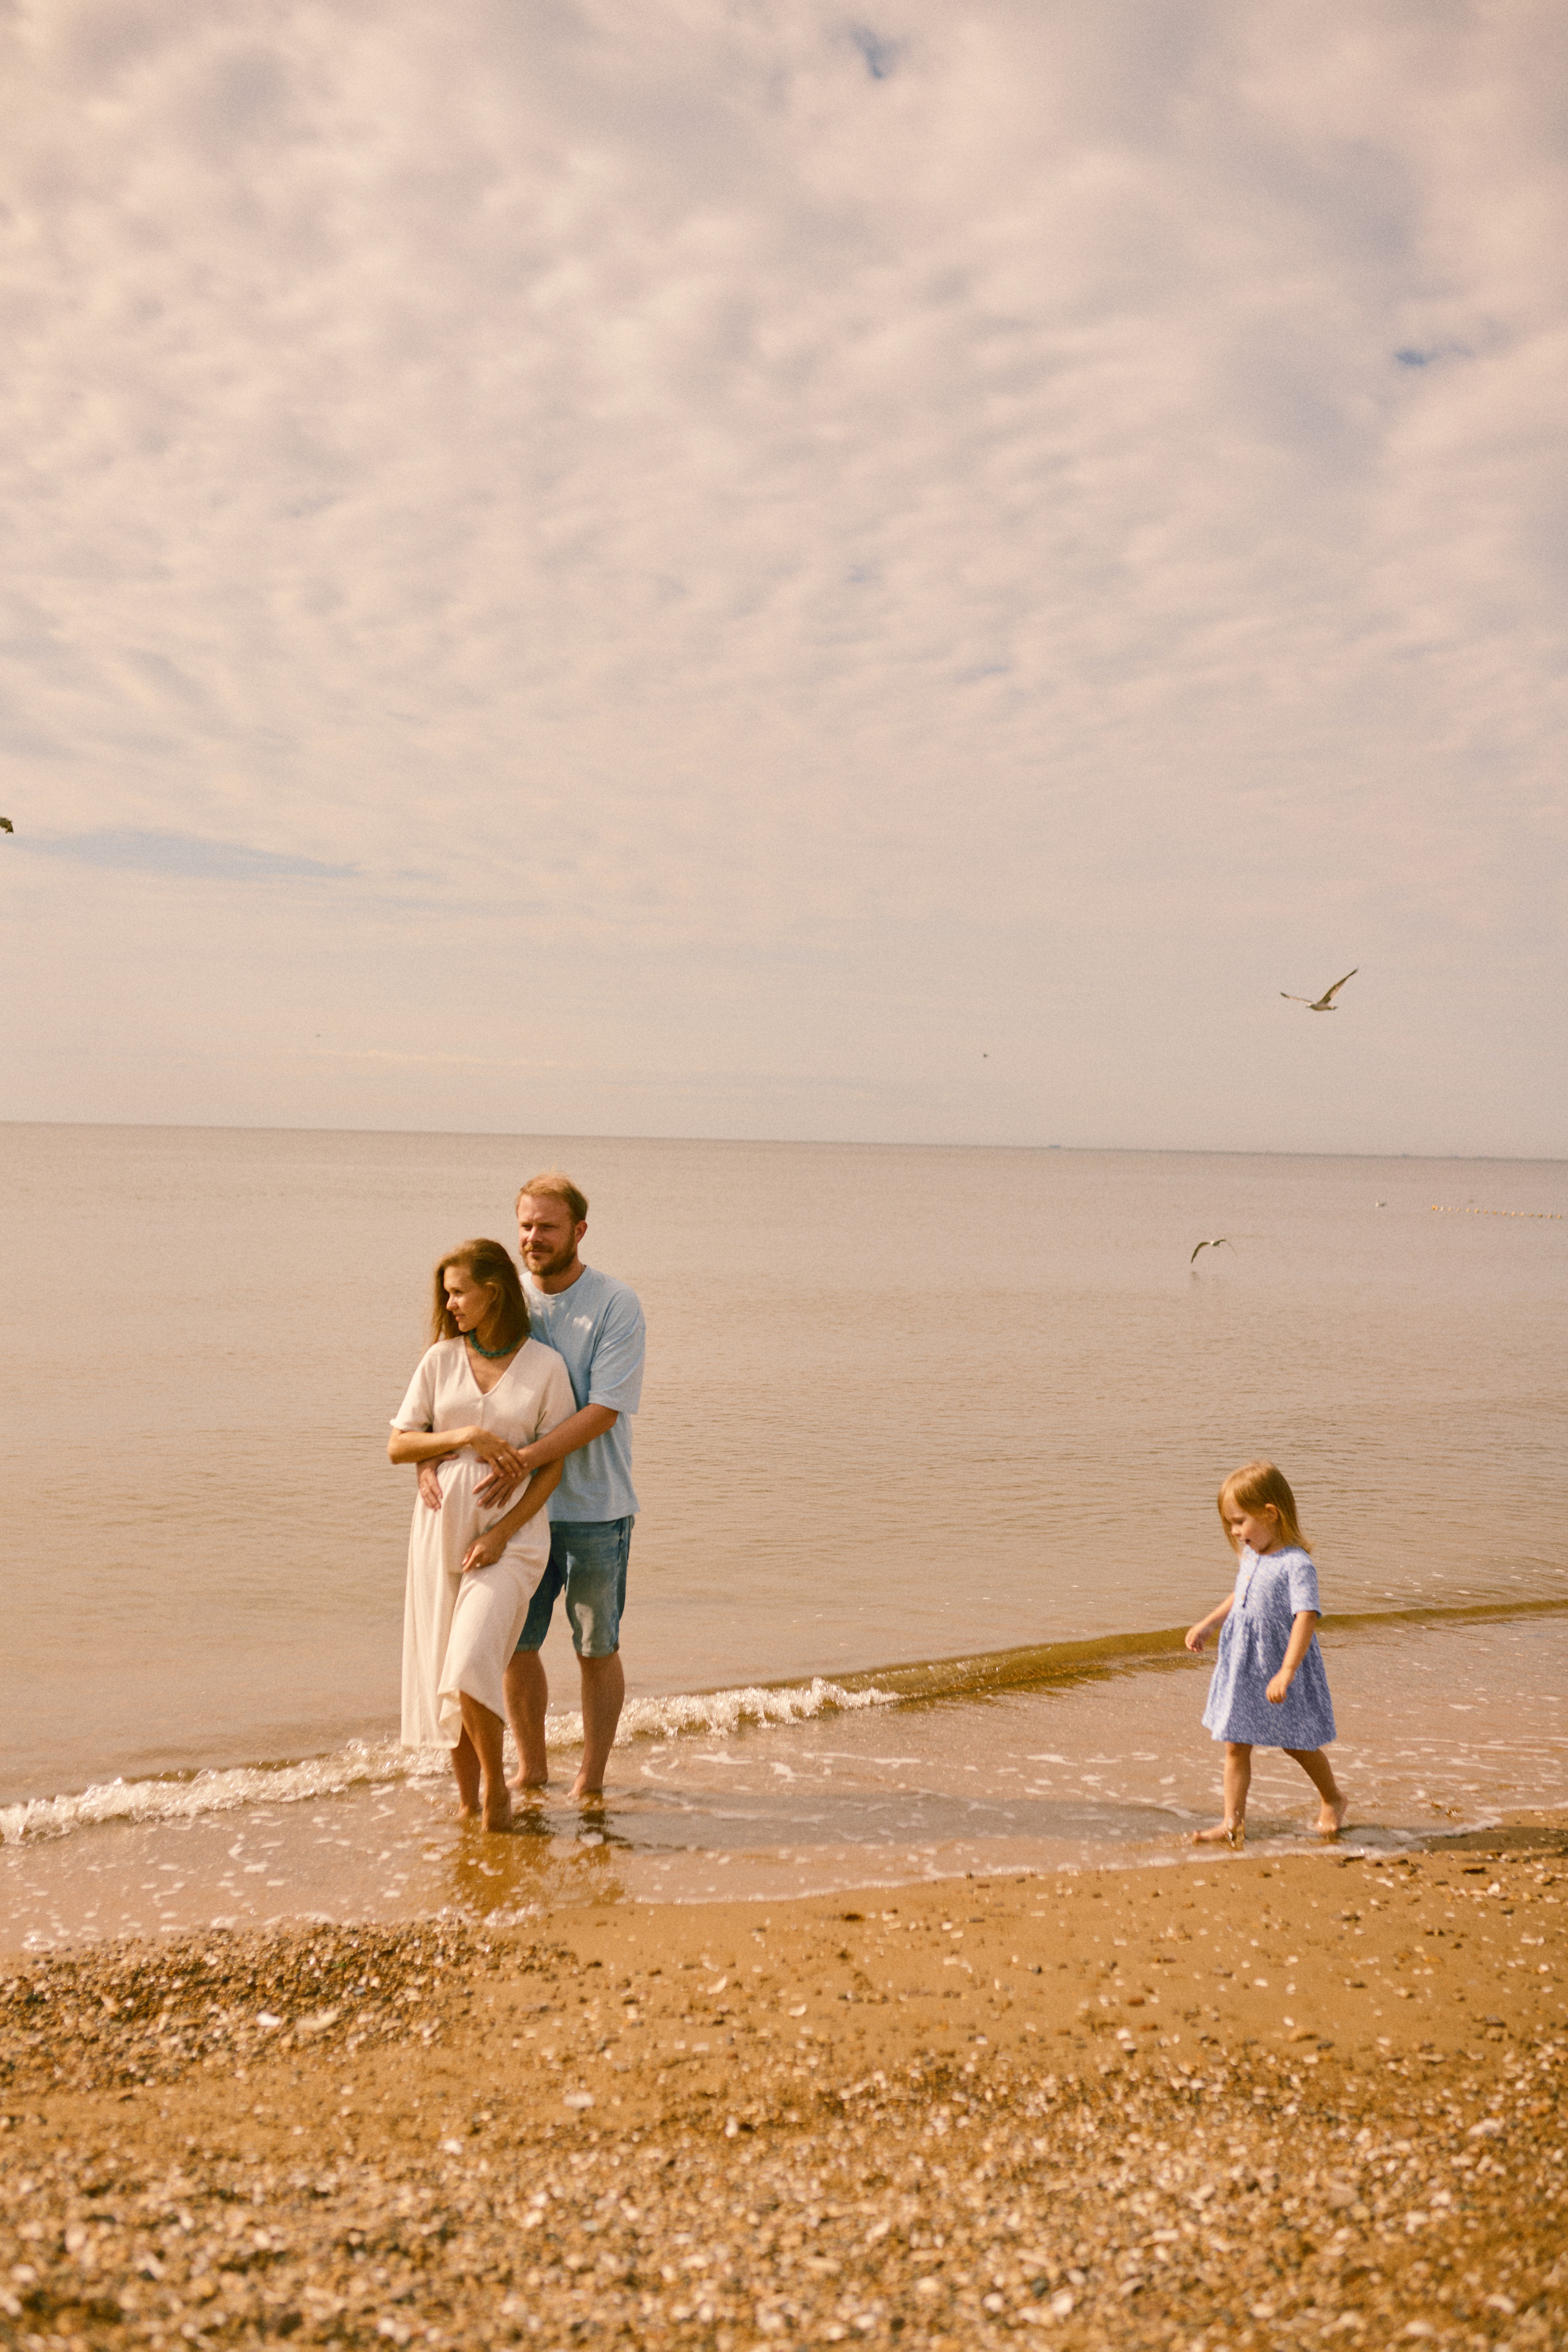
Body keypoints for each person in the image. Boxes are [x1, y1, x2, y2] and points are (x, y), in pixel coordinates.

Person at [421, 1172, 644, 1801]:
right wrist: (426, 1461)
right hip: (511, 1514)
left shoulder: (615, 1304)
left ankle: (591, 1778)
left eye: (547, 1226)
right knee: (516, 1646)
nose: (533, 1238)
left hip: (595, 1507)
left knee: (595, 1646)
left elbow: (603, 1410)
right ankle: (532, 1768)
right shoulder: (502, 1295)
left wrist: (520, 1460)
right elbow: (449, 1387)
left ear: (578, 1231)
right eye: (525, 1225)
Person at [389, 1238, 575, 1831]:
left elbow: (553, 1467)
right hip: (438, 1537)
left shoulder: (545, 1367)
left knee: (470, 1659)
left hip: (510, 1542)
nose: (450, 1304)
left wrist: (502, 1535)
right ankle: (469, 1802)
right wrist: (464, 1437)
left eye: (459, 1293)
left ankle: (497, 1788)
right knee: (447, 1669)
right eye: (446, 1294)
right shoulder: (440, 1360)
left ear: (493, 1292)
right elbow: (399, 1444)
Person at [1184, 1459, 1348, 1850]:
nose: (1235, 1532)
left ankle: (1333, 1798)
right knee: (1235, 1742)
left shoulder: (1297, 1564)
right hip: (1244, 1663)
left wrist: (1287, 1670)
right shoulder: (1251, 1556)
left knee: (1298, 1742)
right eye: (1230, 1524)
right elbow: (1239, 1596)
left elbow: (1306, 1617)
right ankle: (1232, 1822)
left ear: (1271, 1513)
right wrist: (1209, 1623)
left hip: (1280, 1662)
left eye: (1240, 1522)